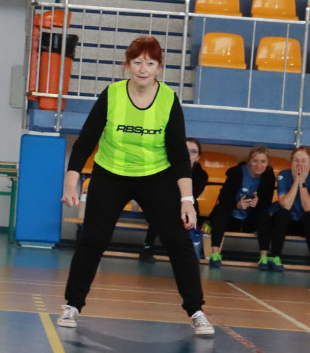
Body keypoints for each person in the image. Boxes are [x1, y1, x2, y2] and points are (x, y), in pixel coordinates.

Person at [58, 36, 212, 336]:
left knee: (179, 243)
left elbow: (180, 155)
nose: (143, 69)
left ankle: (196, 310)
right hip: (110, 174)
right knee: (93, 240)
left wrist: (187, 199)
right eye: (138, 62)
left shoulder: (168, 99)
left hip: (156, 176)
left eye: (150, 63)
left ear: (159, 68)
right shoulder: (112, 94)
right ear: (127, 65)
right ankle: (72, 305)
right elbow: (85, 142)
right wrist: (71, 182)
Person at [207, 145, 275, 269]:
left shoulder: (269, 176)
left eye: (263, 162)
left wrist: (257, 203)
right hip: (232, 217)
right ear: (249, 161)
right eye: (255, 161)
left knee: (264, 214)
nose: (259, 165)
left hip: (250, 220)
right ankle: (215, 254)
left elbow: (266, 202)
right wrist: (237, 204)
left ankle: (263, 257)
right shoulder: (236, 172)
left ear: (267, 163)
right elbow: (224, 198)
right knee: (220, 210)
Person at [139, 138, 207, 262]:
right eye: (185, 150)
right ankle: (147, 246)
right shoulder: (166, 169)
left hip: (185, 204)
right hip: (165, 204)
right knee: (160, 207)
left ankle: (186, 249)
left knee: (191, 207)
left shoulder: (202, 175)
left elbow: (192, 194)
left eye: (193, 152)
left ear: (198, 157)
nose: (188, 154)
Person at [268, 147, 310, 274]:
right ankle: (275, 257)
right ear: (291, 161)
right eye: (296, 160)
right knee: (282, 213)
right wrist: (296, 182)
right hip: (286, 223)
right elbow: (285, 205)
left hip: (304, 224)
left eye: (304, 161)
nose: (299, 164)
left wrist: (302, 183)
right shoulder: (283, 175)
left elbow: (309, 207)